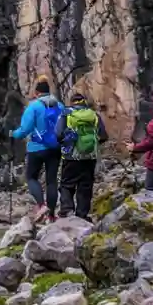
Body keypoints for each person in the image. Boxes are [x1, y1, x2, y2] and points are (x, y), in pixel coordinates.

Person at [10, 76, 65, 222]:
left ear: (36, 93)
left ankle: (41, 205)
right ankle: (52, 215)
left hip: (37, 148)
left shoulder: (33, 107)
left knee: (31, 177)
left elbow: (24, 130)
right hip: (55, 148)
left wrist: (13, 133)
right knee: (52, 181)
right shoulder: (59, 106)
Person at [55, 93, 108, 221]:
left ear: (72, 102)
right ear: (84, 102)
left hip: (71, 156)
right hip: (90, 157)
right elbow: (103, 136)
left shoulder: (66, 114)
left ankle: (67, 209)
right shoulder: (94, 115)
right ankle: (82, 214)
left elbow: (58, 133)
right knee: (85, 186)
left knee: (67, 184)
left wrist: (66, 142)